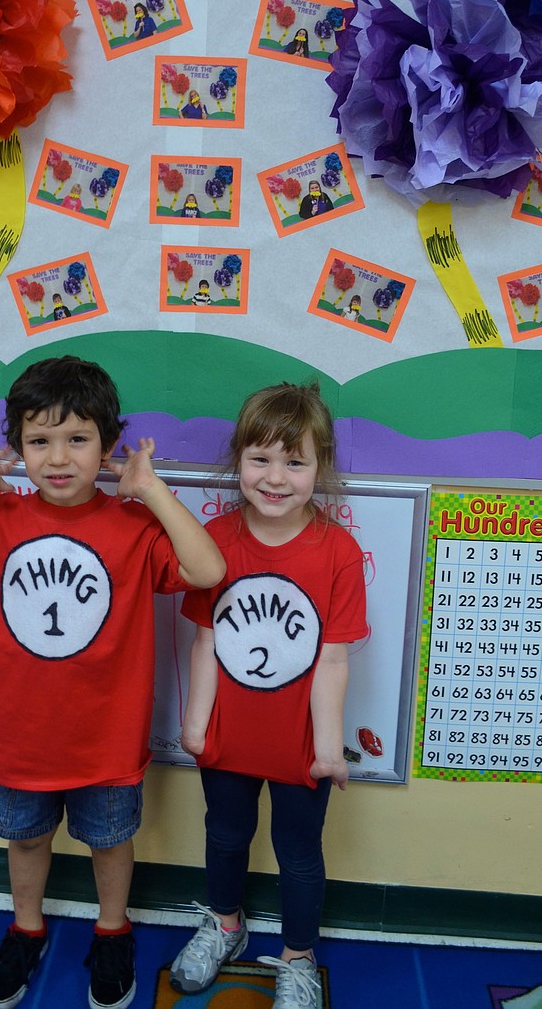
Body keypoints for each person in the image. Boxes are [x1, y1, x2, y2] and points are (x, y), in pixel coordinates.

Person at [0, 357, 225, 1009]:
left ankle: (112, 929)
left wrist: (151, 490)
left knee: (110, 841)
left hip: (106, 740)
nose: (58, 456)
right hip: (18, 739)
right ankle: (26, 926)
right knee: (25, 838)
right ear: (17, 445)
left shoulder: (132, 526)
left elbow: (207, 566)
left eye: (77, 438)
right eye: (39, 439)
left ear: (107, 443)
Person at [170, 382, 368, 1009]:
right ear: (238, 461)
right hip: (230, 732)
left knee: (299, 855)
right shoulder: (216, 539)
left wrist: (330, 747)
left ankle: (298, 956)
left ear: (321, 467)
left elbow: (332, 657)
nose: (276, 477)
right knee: (225, 836)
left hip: (300, 740)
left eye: (295, 461)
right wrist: (196, 722)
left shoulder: (336, 551)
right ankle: (224, 925)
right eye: (261, 459)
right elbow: (204, 642)